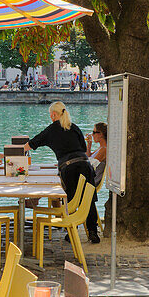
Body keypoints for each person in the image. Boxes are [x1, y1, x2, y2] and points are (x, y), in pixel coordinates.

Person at [25, 101, 99, 244]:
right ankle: (93, 231)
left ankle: (71, 230)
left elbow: (33, 143)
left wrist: (17, 151)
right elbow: (83, 148)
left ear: (53, 115)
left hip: (68, 168)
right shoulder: (74, 127)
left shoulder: (52, 129)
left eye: (50, 115)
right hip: (84, 164)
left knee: (70, 199)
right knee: (88, 200)